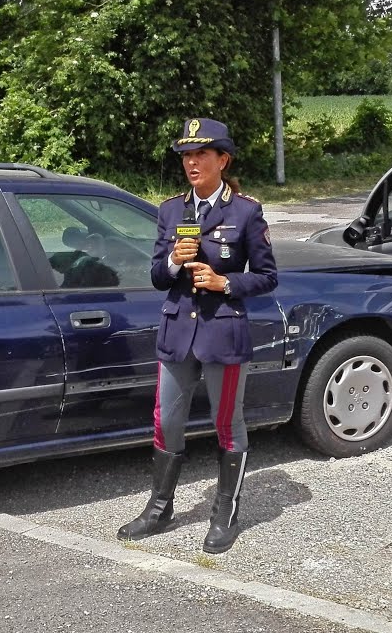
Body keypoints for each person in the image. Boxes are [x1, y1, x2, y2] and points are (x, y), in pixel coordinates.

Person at [117, 117, 279, 554]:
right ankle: (159, 508)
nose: (192, 163)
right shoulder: (171, 210)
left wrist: (224, 283)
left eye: (201, 154)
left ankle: (224, 515)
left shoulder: (245, 211)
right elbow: (156, 276)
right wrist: (173, 260)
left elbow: (266, 276)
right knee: (166, 420)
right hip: (176, 332)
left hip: (222, 333)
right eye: (187, 156)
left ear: (222, 160)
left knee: (228, 423)